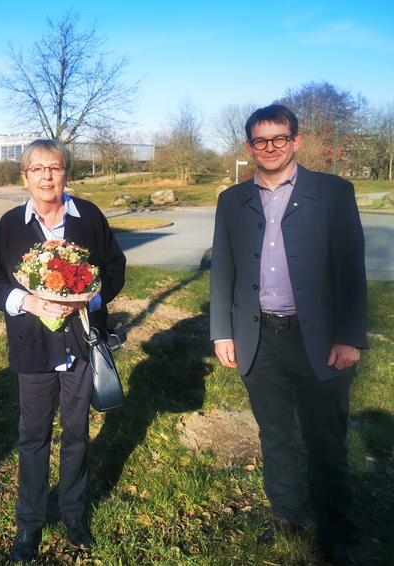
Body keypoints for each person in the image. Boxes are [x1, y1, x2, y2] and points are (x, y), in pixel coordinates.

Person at [210, 105, 366, 565]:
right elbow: (224, 269)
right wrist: (223, 332)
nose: (271, 147)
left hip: (318, 339)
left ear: (296, 141)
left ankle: (336, 527)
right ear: (249, 147)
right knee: (274, 434)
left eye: (280, 138)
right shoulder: (231, 201)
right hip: (260, 338)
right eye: (261, 140)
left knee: (325, 438)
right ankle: (286, 513)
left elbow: (351, 270)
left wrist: (349, 336)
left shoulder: (333, 193)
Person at [0, 139, 125, 562]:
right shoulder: (10, 225)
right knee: (33, 435)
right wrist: (27, 302)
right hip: (33, 345)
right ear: (24, 176)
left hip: (80, 342)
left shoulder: (89, 218)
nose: (47, 176)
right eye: (37, 169)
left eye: (55, 168)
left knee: (77, 433)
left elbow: (115, 269)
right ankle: (29, 524)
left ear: (66, 173)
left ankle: (74, 514)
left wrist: (90, 299)